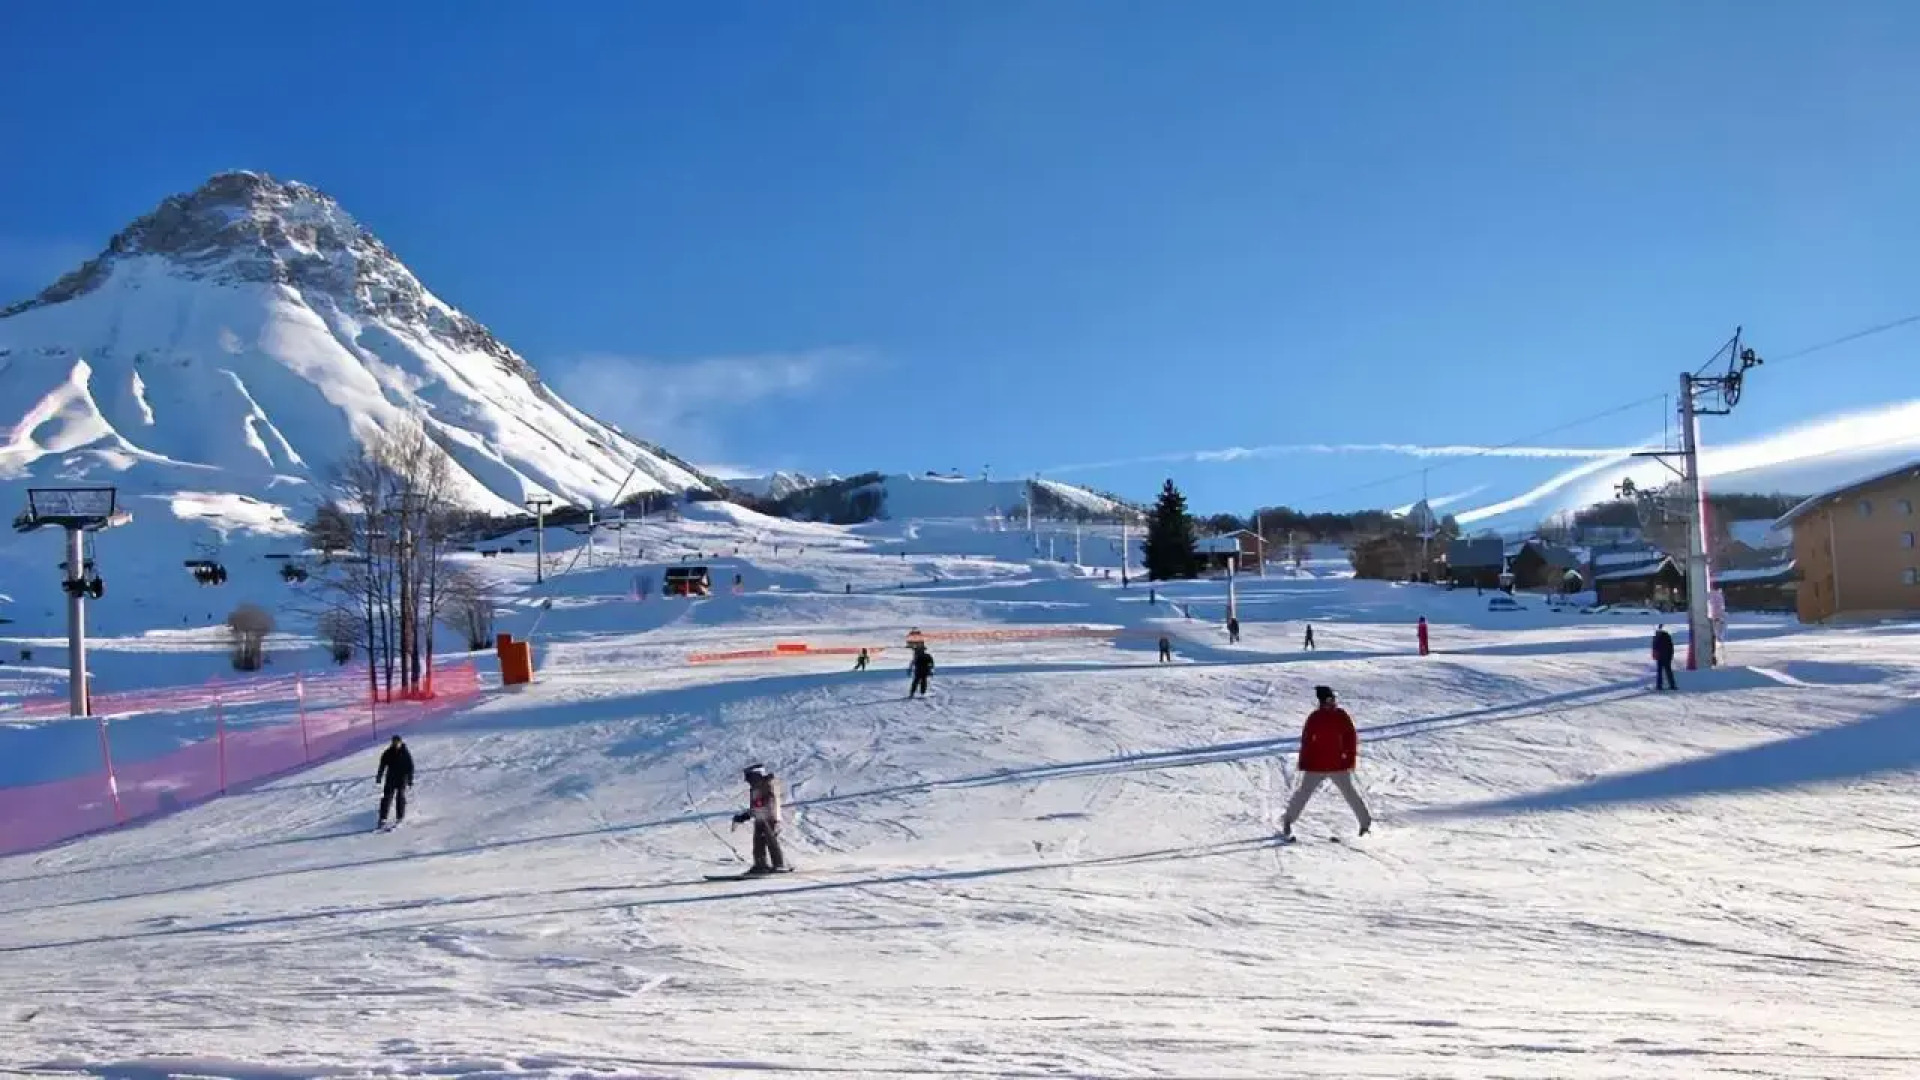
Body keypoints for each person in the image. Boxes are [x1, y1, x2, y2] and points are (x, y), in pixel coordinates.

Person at [1280, 686, 1372, 840]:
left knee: (1350, 793)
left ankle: (1365, 824)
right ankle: (1288, 821)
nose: (1331, 702)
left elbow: (1351, 738)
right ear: (1321, 701)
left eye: (1332, 699)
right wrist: (1304, 761)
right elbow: (1307, 740)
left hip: (1338, 764)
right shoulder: (1315, 717)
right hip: (1316, 765)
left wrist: (1349, 759)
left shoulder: (1341, 715)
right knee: (1303, 793)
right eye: (1328, 699)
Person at [730, 764, 788, 874]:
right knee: (758, 842)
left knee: (771, 840)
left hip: (770, 817)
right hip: (760, 817)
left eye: (749, 777)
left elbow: (770, 801)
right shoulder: (755, 788)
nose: (747, 781)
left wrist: (763, 809)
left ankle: (779, 864)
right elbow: (755, 808)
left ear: (756, 775)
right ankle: (760, 865)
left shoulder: (767, 784)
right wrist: (743, 817)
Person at [375, 735, 414, 828]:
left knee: (400, 796)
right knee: (387, 797)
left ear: (400, 743)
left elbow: (410, 767)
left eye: (397, 743)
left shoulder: (405, 753)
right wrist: (379, 776)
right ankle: (383, 818)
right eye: (394, 742)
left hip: (401, 778)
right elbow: (382, 765)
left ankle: (400, 817)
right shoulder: (388, 753)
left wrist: (410, 779)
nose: (396, 744)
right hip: (391, 778)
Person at [1652, 624, 1678, 691]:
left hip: (1660, 656)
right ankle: (1672, 685)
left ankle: (1659, 686)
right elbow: (1671, 648)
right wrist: (1671, 656)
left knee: (1659, 671)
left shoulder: (1656, 637)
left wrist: (1655, 655)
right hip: (1667, 656)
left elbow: (1654, 648)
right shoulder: (1668, 637)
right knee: (1668, 671)